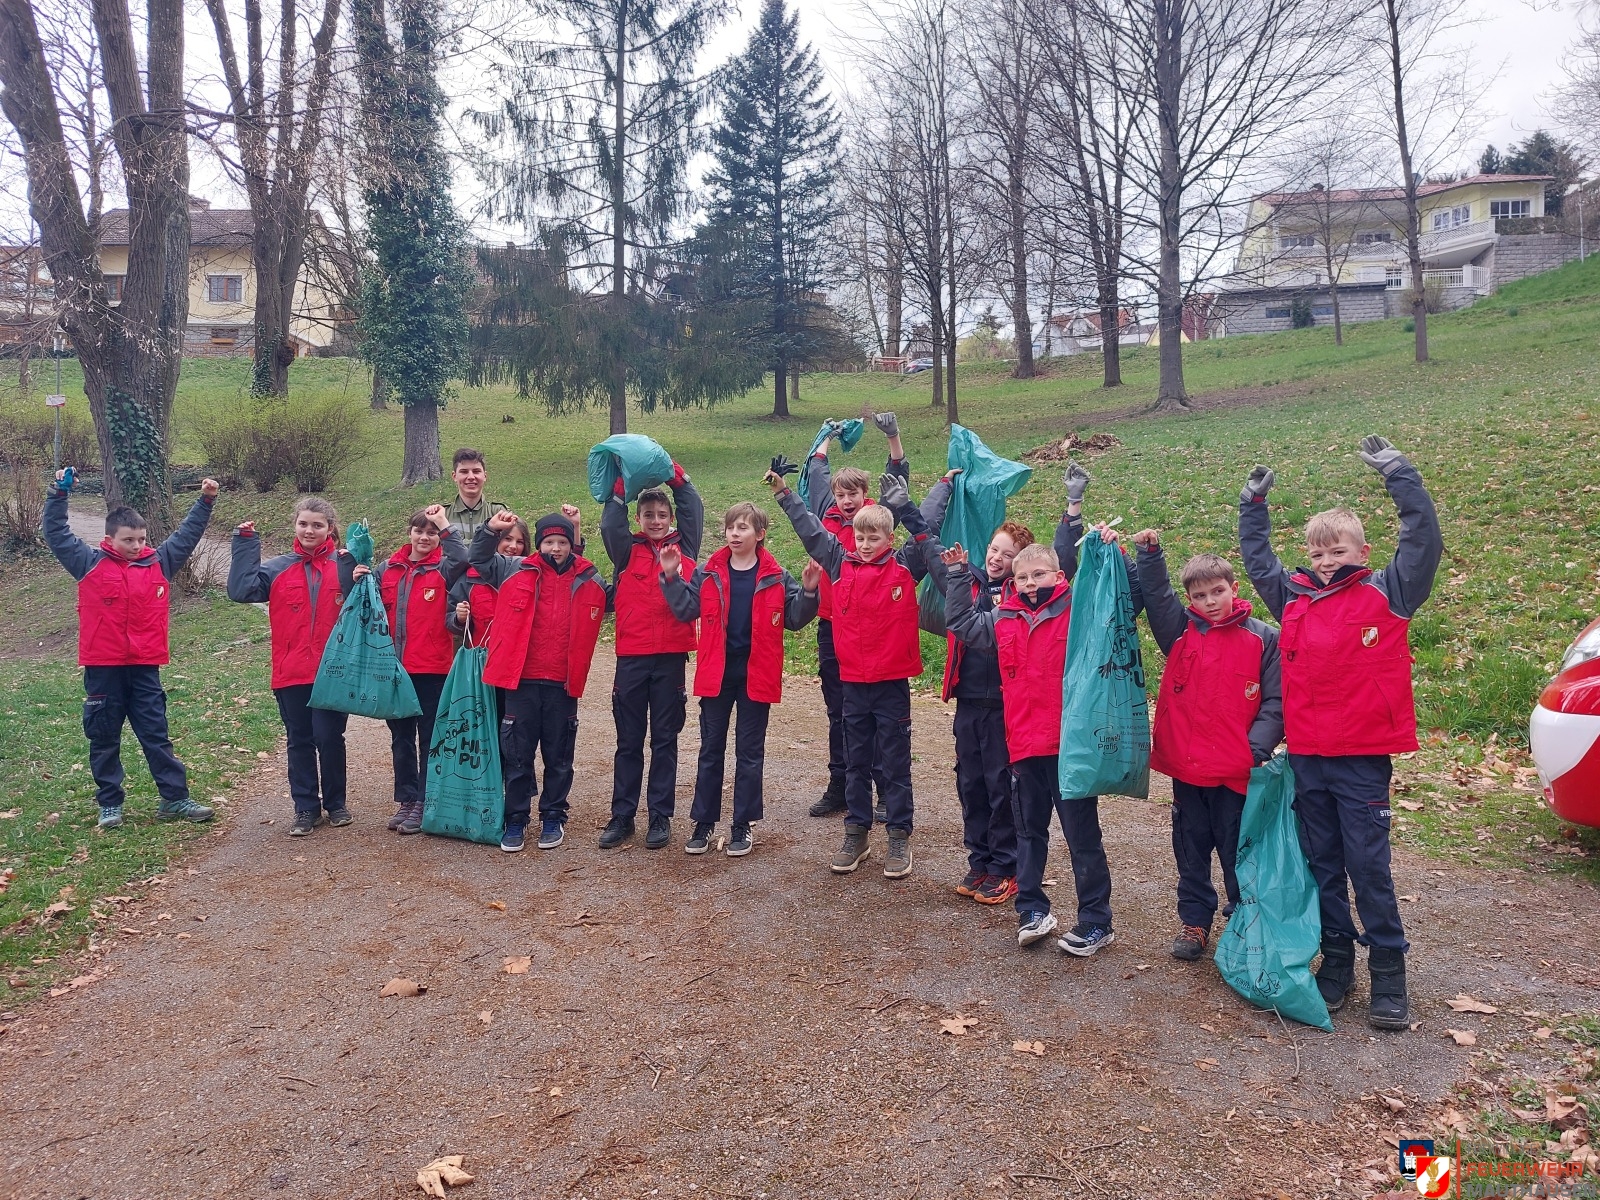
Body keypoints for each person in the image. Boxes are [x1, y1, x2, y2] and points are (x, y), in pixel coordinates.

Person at [1238, 435, 1441, 1031]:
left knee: (1368, 867)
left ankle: (1389, 972)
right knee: (1322, 864)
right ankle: (1337, 962)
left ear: (1362, 551)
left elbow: (1423, 540)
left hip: (1361, 760)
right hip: (1308, 757)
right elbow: (1258, 561)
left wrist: (1400, 475)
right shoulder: (1292, 599)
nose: (1327, 560)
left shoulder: (1389, 592)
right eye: (1318, 552)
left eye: (1338, 550)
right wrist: (1253, 506)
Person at [942, 532, 1121, 957]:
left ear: (1058, 575)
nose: (1029, 583)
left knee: (1082, 837)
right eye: (1022, 577)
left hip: (1068, 748)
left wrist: (1114, 555)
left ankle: (1096, 920)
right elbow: (961, 623)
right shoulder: (1004, 617)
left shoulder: (1078, 611)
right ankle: (1032, 911)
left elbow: (1115, 601)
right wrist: (956, 575)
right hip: (1022, 747)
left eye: (1038, 575)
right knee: (1028, 834)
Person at [772, 462, 932, 879]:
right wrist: (785, 495)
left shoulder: (903, 567)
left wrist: (915, 504)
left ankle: (898, 835)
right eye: (860, 537)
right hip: (853, 684)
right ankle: (856, 832)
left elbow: (927, 534)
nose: (864, 544)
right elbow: (811, 531)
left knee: (894, 764)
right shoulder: (840, 563)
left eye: (873, 538)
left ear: (889, 539)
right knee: (857, 761)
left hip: (891, 685)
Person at [1130, 531, 1284, 961]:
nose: (1211, 601)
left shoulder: (1264, 639)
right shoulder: (1179, 632)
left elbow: (1275, 702)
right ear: (1190, 600)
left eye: (1218, 591)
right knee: (1190, 847)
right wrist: (1150, 555)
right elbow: (1157, 597)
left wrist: (1254, 751)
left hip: (1236, 772)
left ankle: (1242, 918)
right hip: (1188, 769)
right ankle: (1195, 920)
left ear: (1234, 588)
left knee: (1238, 849)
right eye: (1200, 596)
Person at [44, 468, 220, 829]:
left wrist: (206, 501)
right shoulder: (89, 563)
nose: (137, 546)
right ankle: (110, 804)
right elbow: (57, 533)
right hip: (103, 669)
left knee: (156, 735)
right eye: (129, 540)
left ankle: (174, 799)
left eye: (141, 539)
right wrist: (58, 495)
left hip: (145, 668)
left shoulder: (159, 563)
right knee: (104, 737)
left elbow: (186, 536)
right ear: (110, 538)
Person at [659, 502, 820, 857]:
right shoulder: (709, 571)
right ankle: (703, 823)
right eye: (731, 527)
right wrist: (670, 576)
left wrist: (809, 591)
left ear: (760, 534)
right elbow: (686, 609)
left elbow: (794, 618)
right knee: (710, 750)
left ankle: (742, 824)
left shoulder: (776, 575)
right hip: (717, 674)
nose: (734, 533)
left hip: (756, 674)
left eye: (743, 527)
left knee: (749, 753)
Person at [470, 505, 605, 854]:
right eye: (549, 542)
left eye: (562, 542)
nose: (555, 549)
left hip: (562, 682)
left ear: (571, 545)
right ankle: (516, 818)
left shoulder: (587, 578)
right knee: (517, 755)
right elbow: (479, 559)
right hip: (522, 681)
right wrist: (490, 530)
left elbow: (615, 597)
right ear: (539, 544)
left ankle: (553, 816)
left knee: (559, 756)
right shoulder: (514, 569)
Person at [801, 412, 910, 820]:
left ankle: (882, 790)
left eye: (854, 493)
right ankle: (841, 786)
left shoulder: (876, 521)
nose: (846, 501)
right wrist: (827, 435)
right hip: (832, 626)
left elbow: (897, 476)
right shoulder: (825, 519)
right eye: (840, 494)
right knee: (839, 712)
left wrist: (892, 437)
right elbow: (816, 471)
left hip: (873, 633)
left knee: (875, 716)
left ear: (866, 495)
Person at [228, 496, 358, 835]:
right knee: (299, 739)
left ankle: (336, 804)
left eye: (317, 525)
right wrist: (245, 544)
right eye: (303, 524)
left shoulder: (345, 565)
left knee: (329, 737)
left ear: (330, 528)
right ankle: (306, 809)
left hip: (333, 671)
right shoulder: (277, 568)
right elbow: (240, 590)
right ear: (295, 526)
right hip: (291, 670)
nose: (309, 530)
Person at [598, 464, 704, 850]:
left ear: (671, 518)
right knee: (628, 741)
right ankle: (622, 816)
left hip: (671, 658)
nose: (656, 521)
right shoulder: (625, 551)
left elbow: (693, 507)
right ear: (638, 519)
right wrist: (620, 487)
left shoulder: (684, 547)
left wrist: (677, 477)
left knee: (664, 740)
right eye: (648, 515)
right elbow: (610, 524)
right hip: (632, 657)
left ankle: (660, 815)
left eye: (662, 515)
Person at [933, 519, 1035, 906]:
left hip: (1003, 707)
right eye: (994, 549)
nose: (997, 558)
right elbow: (957, 616)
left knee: (1000, 787)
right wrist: (958, 572)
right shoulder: (970, 582)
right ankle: (979, 860)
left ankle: (1005, 867)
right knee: (970, 783)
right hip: (968, 701)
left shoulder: (1021, 596)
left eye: (1007, 555)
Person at [376, 507, 467, 834]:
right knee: (400, 738)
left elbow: (463, 556)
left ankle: (425, 801)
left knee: (429, 738)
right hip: (394, 669)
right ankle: (407, 799)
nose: (425, 537)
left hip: (432, 668)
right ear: (409, 533)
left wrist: (445, 524)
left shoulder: (445, 568)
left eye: (432, 533)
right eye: (419, 531)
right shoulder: (387, 569)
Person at [446, 517, 530, 646]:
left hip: (518, 654)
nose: (513, 546)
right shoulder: (470, 579)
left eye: (520, 542)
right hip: (482, 654)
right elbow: (450, 618)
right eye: (508, 539)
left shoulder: (531, 576)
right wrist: (459, 619)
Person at [443, 448, 509, 544]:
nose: (471, 477)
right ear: (454, 476)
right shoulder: (443, 515)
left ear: (485, 476)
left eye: (476, 471)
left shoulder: (498, 512)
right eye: (464, 471)